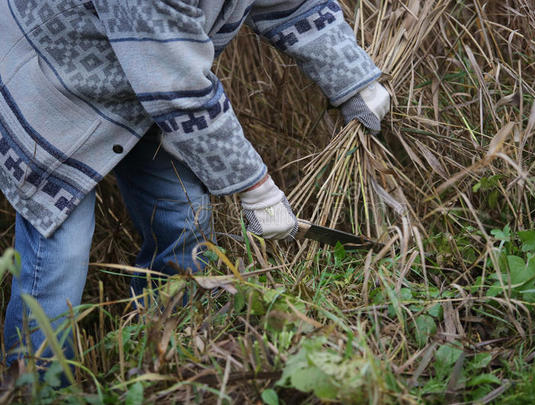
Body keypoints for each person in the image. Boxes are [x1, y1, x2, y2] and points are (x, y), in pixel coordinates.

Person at [0, 0, 390, 366]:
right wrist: (257, 188)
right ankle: (37, 384)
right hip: (51, 79)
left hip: (143, 81)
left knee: (183, 219)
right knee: (58, 257)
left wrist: (354, 80)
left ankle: (164, 350)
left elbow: (295, 5)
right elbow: (181, 90)